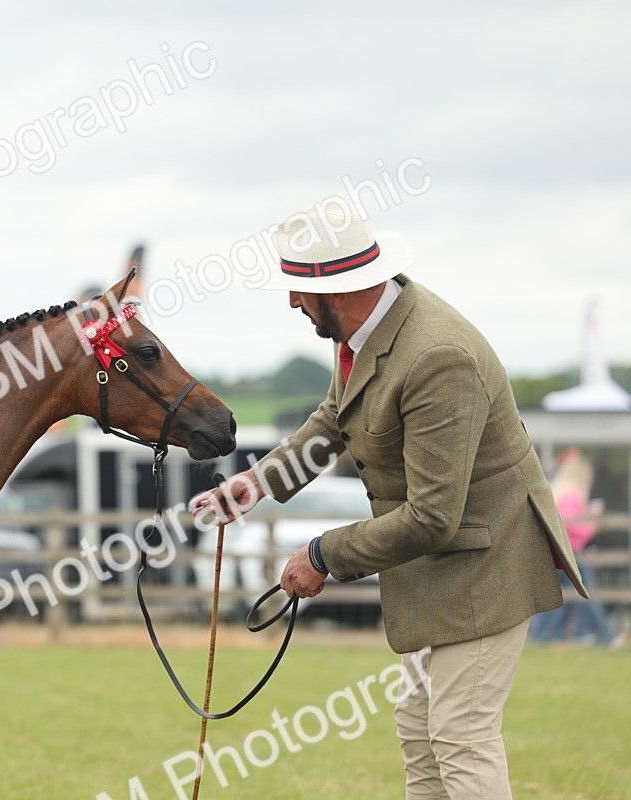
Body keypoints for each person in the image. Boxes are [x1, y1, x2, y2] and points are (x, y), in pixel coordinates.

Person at [192, 205, 587, 800]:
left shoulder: (437, 357)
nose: (294, 302)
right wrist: (259, 483)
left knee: (460, 740)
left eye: (300, 288)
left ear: (338, 291)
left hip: (485, 565)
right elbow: (335, 417)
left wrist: (323, 555)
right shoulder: (361, 330)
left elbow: (432, 515)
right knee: (420, 734)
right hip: (440, 566)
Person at [530, 447, 618, 645]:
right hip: (571, 553)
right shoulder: (572, 495)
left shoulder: (560, 492)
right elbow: (570, 527)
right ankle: (606, 636)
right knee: (588, 595)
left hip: (560, 553)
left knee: (560, 599)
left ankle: (547, 637)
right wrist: (592, 526)